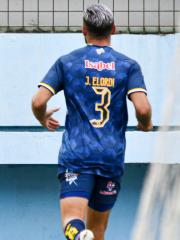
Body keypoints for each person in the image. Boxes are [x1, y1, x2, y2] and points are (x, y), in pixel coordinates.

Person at [31, 4, 152, 240]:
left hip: (77, 155)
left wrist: (42, 117)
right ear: (114, 29)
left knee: (71, 221)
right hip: (110, 156)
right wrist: (145, 124)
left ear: (84, 30)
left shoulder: (67, 62)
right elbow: (143, 108)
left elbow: (37, 102)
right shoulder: (128, 66)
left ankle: (77, 236)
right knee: (98, 230)